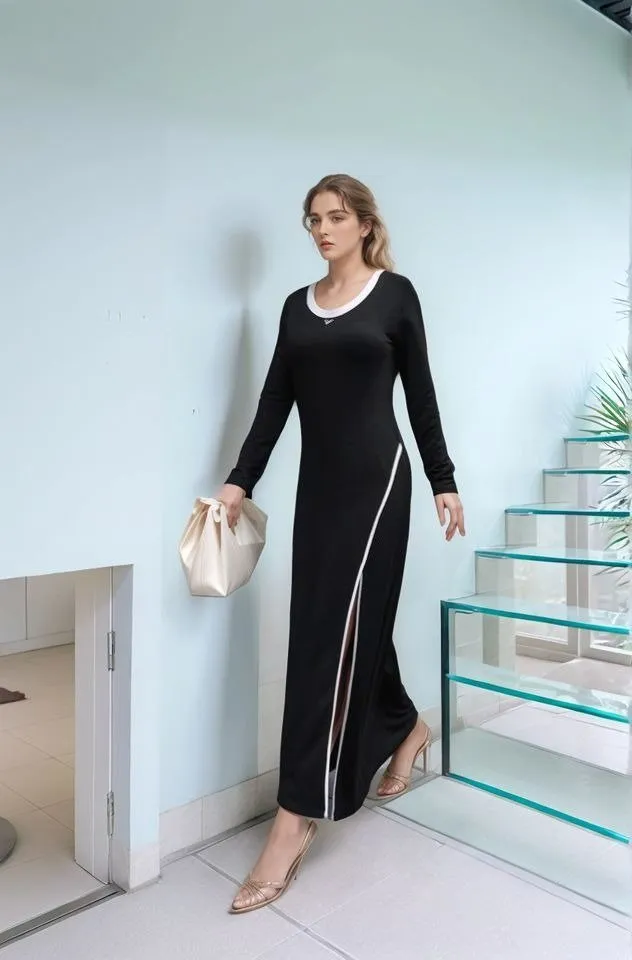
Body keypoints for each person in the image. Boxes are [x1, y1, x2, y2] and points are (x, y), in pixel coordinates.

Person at [216, 174, 465, 914]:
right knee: (340, 627)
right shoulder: (297, 307)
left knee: (327, 641)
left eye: (335, 217)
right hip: (319, 493)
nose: (322, 230)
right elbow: (274, 401)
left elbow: (421, 394)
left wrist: (443, 481)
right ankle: (408, 727)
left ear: (364, 225)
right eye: (312, 220)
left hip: (380, 486)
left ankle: (295, 819)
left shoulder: (395, 296)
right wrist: (239, 480)